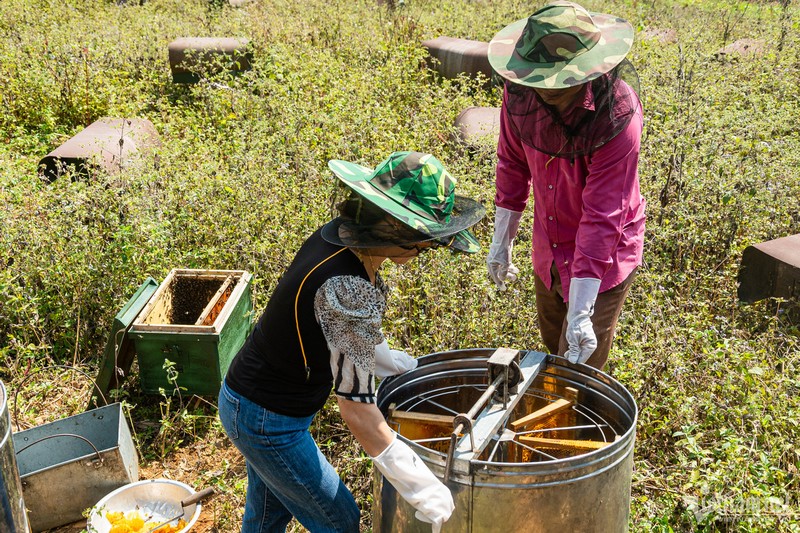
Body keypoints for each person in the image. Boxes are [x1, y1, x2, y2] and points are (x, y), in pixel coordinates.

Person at [218, 151, 485, 532]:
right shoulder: (348, 287)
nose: (425, 248)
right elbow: (357, 410)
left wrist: (385, 357)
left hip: (248, 398)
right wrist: (419, 485)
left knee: (266, 517)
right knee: (340, 520)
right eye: (423, 239)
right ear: (394, 227)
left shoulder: (340, 238)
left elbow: (329, 325)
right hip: (267, 419)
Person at [485, 1, 646, 370]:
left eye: (557, 85)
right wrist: (502, 240)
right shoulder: (521, 91)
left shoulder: (618, 115)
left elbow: (603, 214)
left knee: (577, 365)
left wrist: (582, 310)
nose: (543, 92)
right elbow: (511, 163)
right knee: (552, 345)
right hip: (549, 245)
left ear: (585, 73)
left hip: (603, 258)